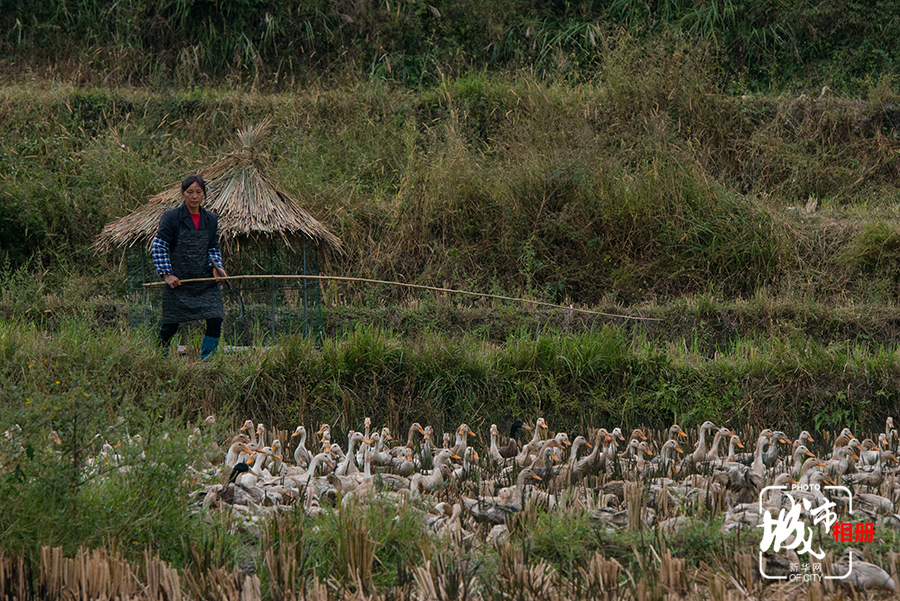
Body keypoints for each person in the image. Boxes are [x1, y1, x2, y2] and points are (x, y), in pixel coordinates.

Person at [151, 175, 228, 358]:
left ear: (204, 195)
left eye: (198, 192)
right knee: (171, 324)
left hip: (204, 281)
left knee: (216, 317)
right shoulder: (171, 217)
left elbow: (213, 247)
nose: (194, 196)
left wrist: (218, 268)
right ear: (183, 194)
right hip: (179, 281)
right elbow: (159, 246)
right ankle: (157, 358)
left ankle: (207, 359)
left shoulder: (210, 219)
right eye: (190, 192)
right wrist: (167, 274)